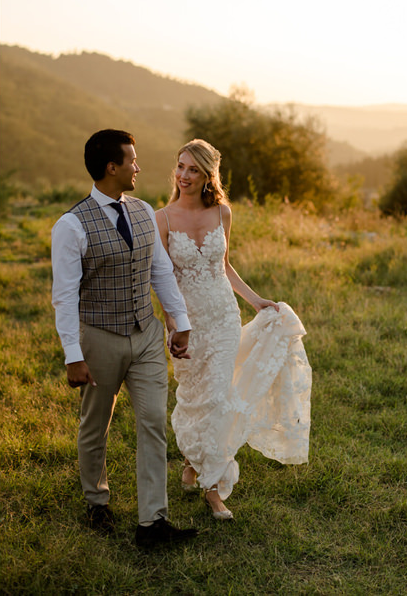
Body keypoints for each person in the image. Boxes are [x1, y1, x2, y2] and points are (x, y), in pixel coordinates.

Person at [51, 129, 197, 550]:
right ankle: (97, 500)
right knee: (96, 424)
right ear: (111, 168)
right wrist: (73, 355)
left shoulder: (144, 211)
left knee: (153, 421)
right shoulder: (70, 226)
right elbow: (64, 297)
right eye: (132, 161)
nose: (138, 167)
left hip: (147, 334)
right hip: (99, 339)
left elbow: (160, 272)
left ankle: (153, 523)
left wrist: (178, 322)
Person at [156, 139, 312, 521]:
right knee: (193, 397)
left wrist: (256, 301)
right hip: (187, 325)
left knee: (217, 397)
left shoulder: (222, 213)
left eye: (193, 169)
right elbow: (163, 280)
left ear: (209, 175)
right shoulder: (163, 218)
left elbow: (225, 266)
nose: (184, 176)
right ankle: (194, 462)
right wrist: (174, 324)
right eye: (180, 167)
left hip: (223, 317)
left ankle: (213, 486)